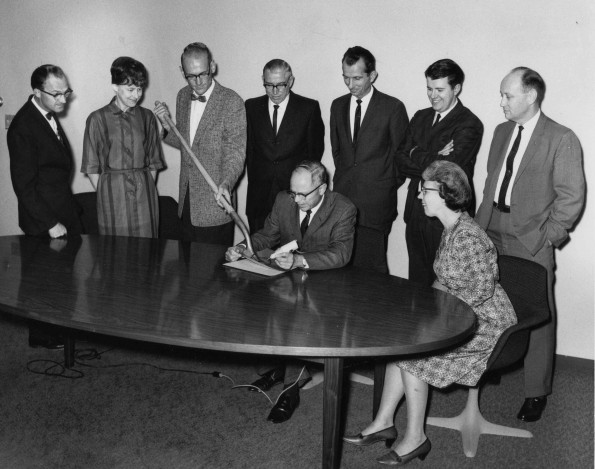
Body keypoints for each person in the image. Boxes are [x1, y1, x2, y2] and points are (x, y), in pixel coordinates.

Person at [344, 160, 517, 466]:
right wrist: (424, 310)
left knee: (416, 354)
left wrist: (434, 321)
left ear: (447, 194)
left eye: (425, 190)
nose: (420, 196)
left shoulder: (469, 236)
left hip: (486, 324)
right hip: (461, 314)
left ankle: (416, 438)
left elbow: (479, 292)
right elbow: (445, 278)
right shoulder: (450, 229)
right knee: (405, 341)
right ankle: (384, 421)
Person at [475, 67, 585, 423]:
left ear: (531, 96)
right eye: (502, 95)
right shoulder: (501, 131)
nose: (502, 102)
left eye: (508, 95)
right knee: (488, 305)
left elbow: (571, 198)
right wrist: (478, 230)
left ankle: (536, 392)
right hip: (492, 229)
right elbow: (492, 183)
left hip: (530, 238)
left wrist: (545, 237)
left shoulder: (561, 137)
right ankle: (486, 367)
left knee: (537, 316)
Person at [226, 160, 356, 423]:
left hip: (325, 283)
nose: (296, 199)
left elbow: (341, 254)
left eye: (303, 194)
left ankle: (290, 389)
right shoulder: (284, 201)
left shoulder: (343, 208)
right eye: (293, 192)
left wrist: (299, 261)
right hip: (288, 278)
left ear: (322, 187)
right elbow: (267, 236)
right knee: (258, 307)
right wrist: (242, 247)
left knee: (299, 323)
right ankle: (277, 369)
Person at [7, 64, 81, 348]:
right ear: (37, 92)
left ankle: (58, 334)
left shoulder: (46, 112)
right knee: (42, 282)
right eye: (56, 94)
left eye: (66, 92)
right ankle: (45, 338)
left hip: (60, 207)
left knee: (59, 281)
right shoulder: (23, 126)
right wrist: (50, 223)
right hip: (44, 218)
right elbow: (23, 186)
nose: (63, 99)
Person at [397, 59, 483, 285]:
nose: (432, 95)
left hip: (447, 217)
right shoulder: (420, 116)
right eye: (429, 88)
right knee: (416, 284)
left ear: (456, 89)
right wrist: (436, 154)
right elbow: (400, 159)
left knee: (445, 288)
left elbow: (447, 170)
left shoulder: (469, 123)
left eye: (439, 90)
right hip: (416, 211)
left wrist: (416, 151)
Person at [154, 42, 246, 245]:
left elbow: (235, 153)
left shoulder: (231, 101)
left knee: (212, 273)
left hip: (215, 203)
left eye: (202, 74)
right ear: (182, 71)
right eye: (190, 76)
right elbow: (189, 145)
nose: (197, 82)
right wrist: (166, 125)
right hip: (186, 203)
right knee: (186, 269)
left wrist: (226, 183)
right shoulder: (182, 96)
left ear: (212, 67)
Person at [330, 46, 408, 274]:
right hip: (342, 201)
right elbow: (338, 153)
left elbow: (400, 158)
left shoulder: (392, 107)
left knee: (373, 273)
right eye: (346, 77)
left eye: (357, 78)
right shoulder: (337, 105)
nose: (351, 84)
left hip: (376, 206)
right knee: (341, 268)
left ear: (372, 76)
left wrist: (383, 186)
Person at [81, 57, 165, 237]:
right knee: (116, 254)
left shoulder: (147, 117)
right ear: (115, 86)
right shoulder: (97, 119)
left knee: (147, 252)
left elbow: (153, 162)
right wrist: (108, 193)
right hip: (112, 198)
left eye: (140, 89)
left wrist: (144, 189)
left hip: (145, 197)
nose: (136, 95)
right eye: (131, 89)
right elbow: (91, 167)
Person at [245, 59, 324, 232]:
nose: (274, 91)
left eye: (280, 85)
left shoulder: (308, 108)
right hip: (259, 199)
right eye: (268, 85)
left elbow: (314, 156)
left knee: (290, 254)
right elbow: (248, 153)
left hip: (295, 198)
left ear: (291, 81)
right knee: (258, 253)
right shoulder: (251, 107)